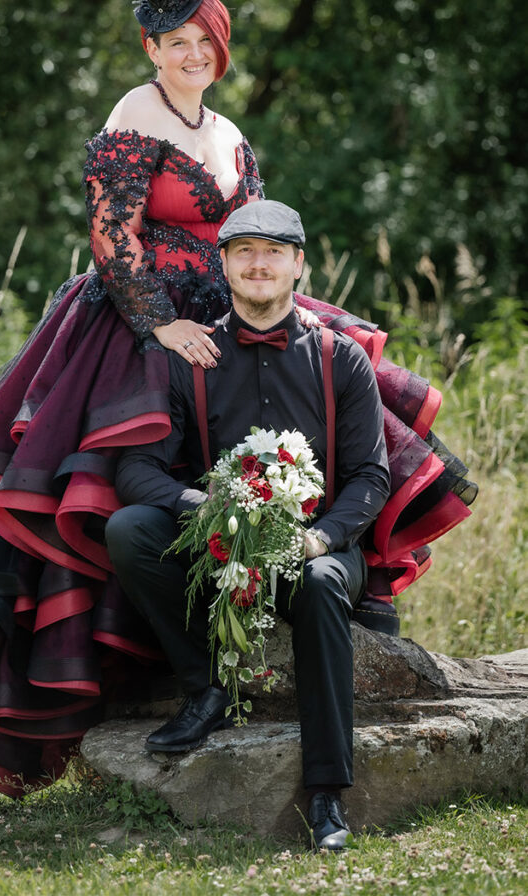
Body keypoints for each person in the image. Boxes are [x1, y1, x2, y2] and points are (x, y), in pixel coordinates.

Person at [0, 0, 476, 797]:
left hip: (232, 303)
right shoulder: (132, 113)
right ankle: (182, 674)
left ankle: (336, 594)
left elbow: (256, 230)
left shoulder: (228, 133)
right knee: (128, 489)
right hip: (142, 321)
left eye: (206, 41)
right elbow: (112, 240)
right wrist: (163, 328)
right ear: (150, 47)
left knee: (340, 399)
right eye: (176, 41)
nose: (194, 55)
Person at [106, 199, 391, 851]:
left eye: (272, 252)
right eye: (242, 252)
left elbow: (370, 478)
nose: (257, 264)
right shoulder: (189, 355)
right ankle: (205, 690)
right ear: (224, 266)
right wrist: (210, 513)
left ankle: (325, 796)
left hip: (314, 547)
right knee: (128, 529)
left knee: (320, 581)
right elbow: (137, 470)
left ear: (298, 265)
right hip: (222, 548)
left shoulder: (339, 358)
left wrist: (317, 537)